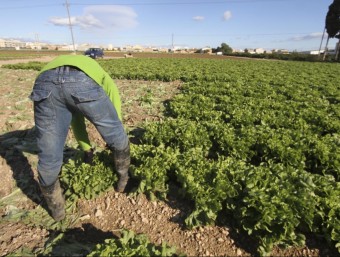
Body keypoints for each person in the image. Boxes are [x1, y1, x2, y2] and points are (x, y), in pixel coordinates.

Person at [29, 55, 130, 221]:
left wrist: (87, 150)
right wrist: (114, 132)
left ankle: (57, 211)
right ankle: (123, 180)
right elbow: (113, 96)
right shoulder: (93, 67)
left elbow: (76, 119)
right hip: (80, 79)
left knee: (49, 155)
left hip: (44, 82)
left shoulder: (60, 62)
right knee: (117, 134)